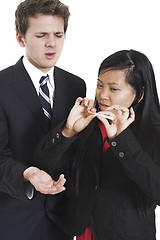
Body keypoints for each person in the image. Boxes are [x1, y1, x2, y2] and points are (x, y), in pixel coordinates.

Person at [35, 49, 160, 240]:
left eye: (114, 89)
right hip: (83, 232)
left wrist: (122, 140)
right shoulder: (88, 123)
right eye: (99, 85)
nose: (102, 95)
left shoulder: (153, 132)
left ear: (140, 94)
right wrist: (68, 130)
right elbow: (42, 164)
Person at [0, 0, 86, 239]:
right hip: (14, 220)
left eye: (58, 34)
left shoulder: (75, 85)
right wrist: (28, 174)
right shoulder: (2, 86)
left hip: (62, 220)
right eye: (41, 35)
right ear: (20, 38)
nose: (52, 43)